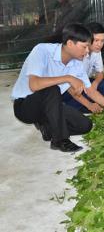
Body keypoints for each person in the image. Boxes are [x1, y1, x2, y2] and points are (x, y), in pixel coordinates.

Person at [11, 23, 94, 152]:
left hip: (50, 107)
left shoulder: (76, 63)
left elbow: (90, 90)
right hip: (25, 106)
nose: (87, 51)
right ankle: (60, 140)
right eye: (85, 47)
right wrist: (68, 78)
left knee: (85, 125)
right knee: (52, 89)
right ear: (70, 43)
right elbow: (34, 85)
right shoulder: (42, 50)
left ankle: (47, 128)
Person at [62, 22, 104, 115]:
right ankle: (70, 107)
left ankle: (78, 106)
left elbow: (100, 72)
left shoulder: (96, 51)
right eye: (96, 40)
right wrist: (90, 104)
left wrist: (95, 83)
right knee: (83, 91)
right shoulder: (75, 53)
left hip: (83, 81)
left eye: (102, 41)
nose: (100, 44)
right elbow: (69, 86)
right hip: (67, 88)